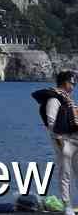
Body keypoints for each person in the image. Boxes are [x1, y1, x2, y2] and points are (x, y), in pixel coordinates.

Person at [34, 71, 78, 215]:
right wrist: (60, 143)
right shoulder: (54, 99)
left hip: (74, 138)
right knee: (65, 173)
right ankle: (67, 206)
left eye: (74, 83)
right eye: (71, 83)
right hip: (63, 140)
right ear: (64, 82)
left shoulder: (67, 99)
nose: (73, 86)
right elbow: (51, 123)